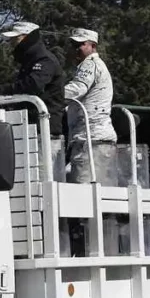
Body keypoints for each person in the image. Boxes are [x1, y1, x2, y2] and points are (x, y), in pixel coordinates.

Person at [0, 21, 67, 182]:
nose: (11, 44)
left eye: (15, 40)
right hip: (30, 130)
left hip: (44, 131)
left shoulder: (45, 60)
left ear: (26, 38)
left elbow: (33, 85)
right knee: (28, 182)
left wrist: (5, 90)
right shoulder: (29, 62)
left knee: (43, 183)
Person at [63, 28, 117, 184]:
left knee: (83, 191)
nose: (75, 49)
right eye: (73, 45)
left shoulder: (90, 65)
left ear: (92, 46)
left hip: (90, 139)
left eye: (80, 44)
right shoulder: (97, 65)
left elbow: (77, 88)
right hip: (97, 138)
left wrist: (51, 96)